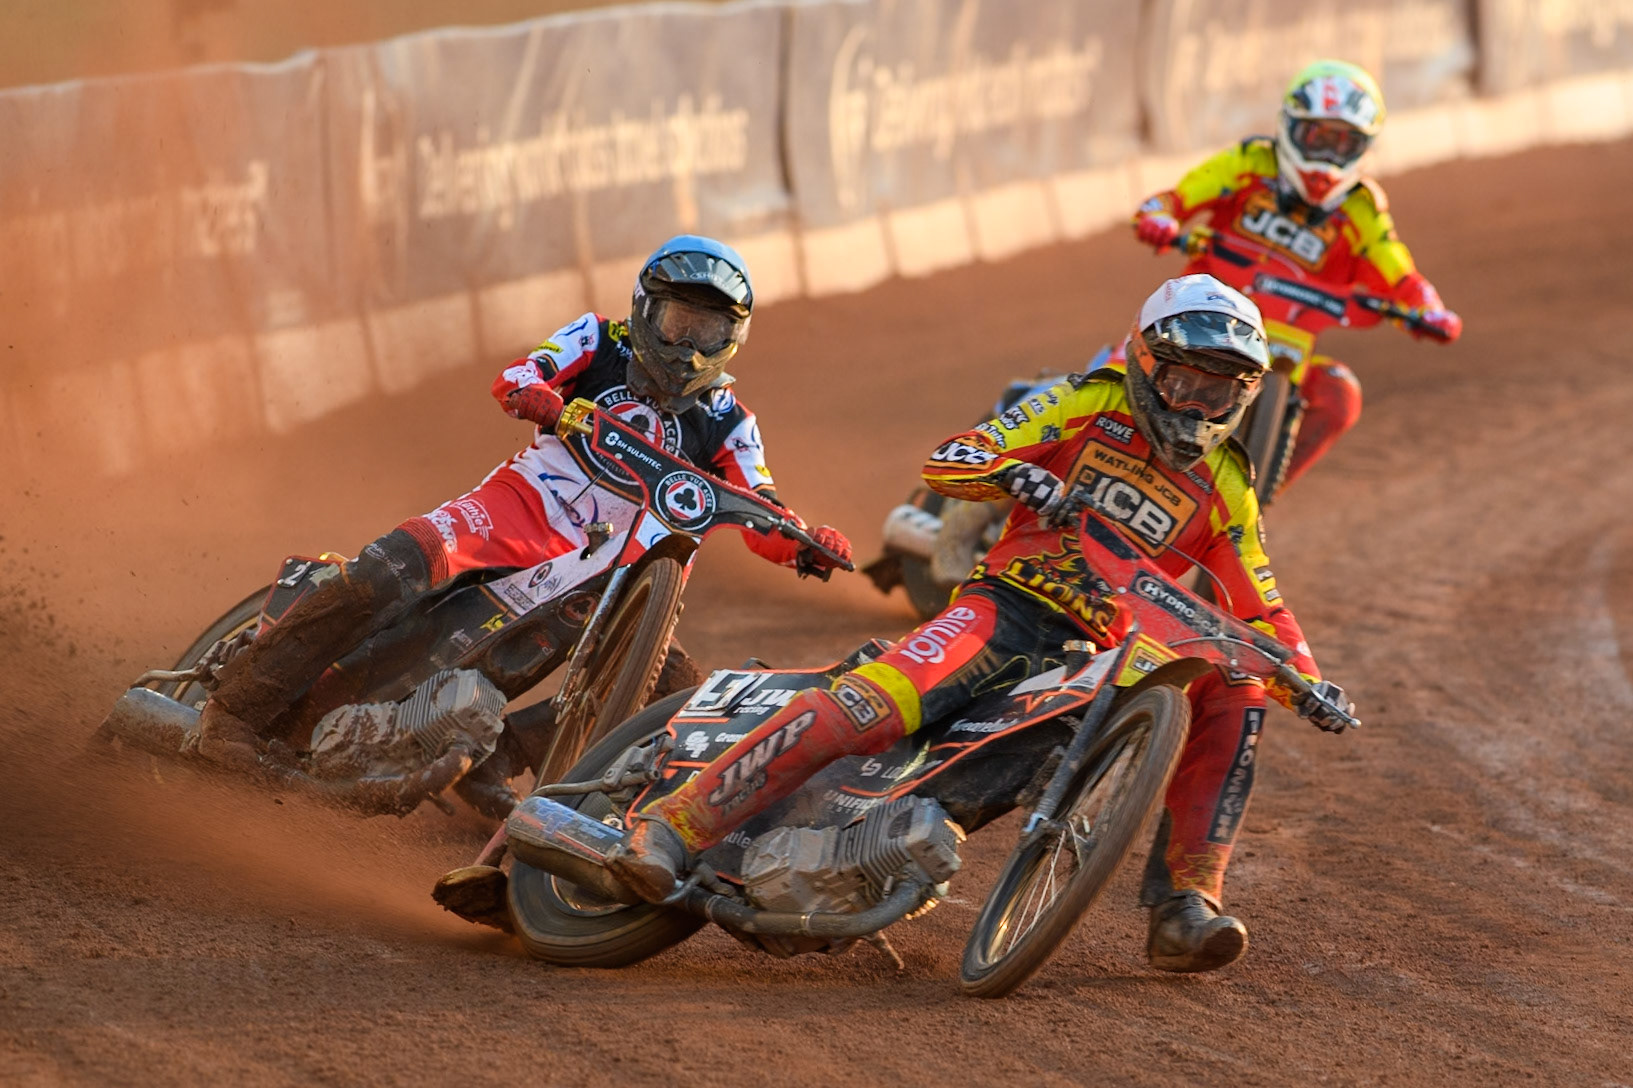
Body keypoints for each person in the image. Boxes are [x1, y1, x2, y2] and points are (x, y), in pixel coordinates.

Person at [608, 274, 1353, 973]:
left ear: (1245, 395)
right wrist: (1011, 472)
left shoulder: (1228, 486)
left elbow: (1259, 604)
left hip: (1099, 660)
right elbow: (952, 459)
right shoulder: (1083, 401)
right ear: (1144, 362)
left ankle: (1187, 903)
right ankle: (677, 824)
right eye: (1183, 380)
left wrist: (1308, 682)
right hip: (1005, 608)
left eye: (1217, 390)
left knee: (1238, 685)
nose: (1194, 406)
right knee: (876, 703)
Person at [196, 235, 852, 777]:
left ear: (732, 339)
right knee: (390, 567)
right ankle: (233, 713)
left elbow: (759, 506)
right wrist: (539, 396)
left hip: (609, 574)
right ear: (647, 311)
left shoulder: (730, 420)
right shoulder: (600, 340)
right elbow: (518, 374)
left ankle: (495, 762)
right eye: (679, 323)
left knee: (677, 695)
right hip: (522, 505)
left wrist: (803, 542)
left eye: (707, 332)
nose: (687, 347)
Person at [1131, 59, 1461, 492]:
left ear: (1364, 147)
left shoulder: (1362, 207)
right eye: (1319, 136)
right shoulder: (1249, 161)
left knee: (1339, 397)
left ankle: (1250, 503)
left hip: (1288, 349)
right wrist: (1160, 217)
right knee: (1125, 368)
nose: (1327, 155)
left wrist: (1426, 306)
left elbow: (1394, 263)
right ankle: (1048, 432)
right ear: (1290, 125)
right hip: (1195, 323)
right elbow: (1176, 198)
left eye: (1343, 143)